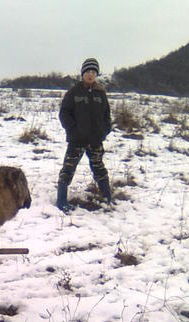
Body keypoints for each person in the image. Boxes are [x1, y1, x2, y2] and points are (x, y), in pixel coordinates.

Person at [57, 57, 112, 211]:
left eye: (93, 72)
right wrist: (73, 130)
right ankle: (61, 201)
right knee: (68, 169)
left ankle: (107, 197)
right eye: (87, 71)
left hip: (95, 141)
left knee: (99, 169)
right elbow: (64, 114)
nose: (90, 75)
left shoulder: (100, 93)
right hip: (77, 140)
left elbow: (107, 115)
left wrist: (104, 131)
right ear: (82, 73)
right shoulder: (74, 92)